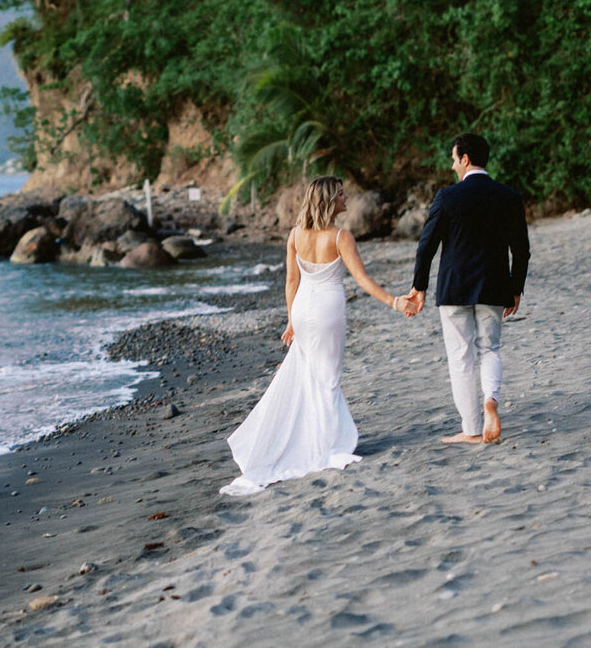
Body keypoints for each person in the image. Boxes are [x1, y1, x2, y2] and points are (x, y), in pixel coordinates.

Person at [221, 176, 420, 497]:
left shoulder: (296, 235)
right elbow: (362, 280)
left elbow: (290, 281)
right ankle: (324, 446)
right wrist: (395, 301)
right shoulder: (340, 236)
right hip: (327, 309)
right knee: (327, 377)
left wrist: (291, 320)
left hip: (302, 308)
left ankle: (310, 439)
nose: (346, 198)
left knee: (309, 374)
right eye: (341, 194)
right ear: (328, 200)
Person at [402, 133, 530, 445]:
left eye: (454, 158)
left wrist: (419, 286)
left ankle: (472, 429)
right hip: (495, 285)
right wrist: (516, 289)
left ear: (466, 159)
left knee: (461, 358)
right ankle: (491, 400)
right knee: (490, 349)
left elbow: (426, 246)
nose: (452, 164)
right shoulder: (509, 196)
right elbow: (522, 249)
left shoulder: (447, 197)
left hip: (454, 288)